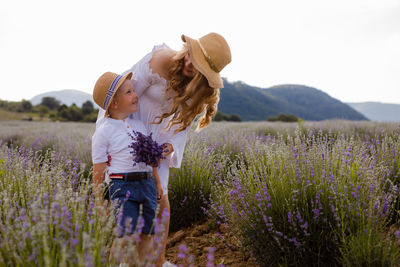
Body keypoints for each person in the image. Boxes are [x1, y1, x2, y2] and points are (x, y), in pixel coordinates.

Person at [96, 32, 232, 267]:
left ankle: (156, 261)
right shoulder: (159, 61)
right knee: (128, 208)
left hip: (157, 144)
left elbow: (183, 124)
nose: (189, 63)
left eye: (198, 64)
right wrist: (115, 139)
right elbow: (122, 96)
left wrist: (170, 147)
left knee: (160, 203)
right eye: (191, 56)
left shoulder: (202, 90)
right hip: (130, 130)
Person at [91, 71, 163, 264]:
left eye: (133, 90)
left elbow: (150, 158)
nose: (135, 95)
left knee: (147, 232)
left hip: (147, 184)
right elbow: (98, 170)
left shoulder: (139, 124)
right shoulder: (104, 131)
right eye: (129, 92)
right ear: (114, 103)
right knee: (125, 235)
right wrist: (100, 202)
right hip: (122, 187)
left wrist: (157, 181)